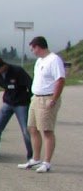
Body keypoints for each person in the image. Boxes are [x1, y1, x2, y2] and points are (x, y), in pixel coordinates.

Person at [22, 36, 66, 173]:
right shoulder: (39, 61)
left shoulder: (54, 60)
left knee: (46, 130)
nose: (32, 52)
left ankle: (47, 162)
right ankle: (36, 159)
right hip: (36, 98)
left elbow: (60, 80)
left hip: (47, 98)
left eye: (33, 49)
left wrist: (54, 98)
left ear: (38, 47)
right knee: (32, 128)